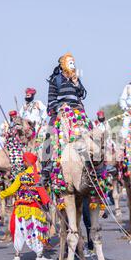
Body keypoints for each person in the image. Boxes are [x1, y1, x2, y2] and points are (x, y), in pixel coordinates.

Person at [41, 52, 87, 185]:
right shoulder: (56, 80)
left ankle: (96, 165)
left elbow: (82, 94)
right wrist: (59, 109)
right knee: (49, 135)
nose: (72, 66)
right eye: (70, 63)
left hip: (77, 112)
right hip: (61, 113)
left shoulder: (75, 79)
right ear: (63, 65)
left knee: (92, 132)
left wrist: (77, 83)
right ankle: (46, 169)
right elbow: (51, 101)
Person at [0, 152, 54, 260]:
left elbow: (11, 190)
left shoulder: (21, 176)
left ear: (26, 162)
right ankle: (39, 256)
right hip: (35, 209)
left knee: (19, 232)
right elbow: (46, 192)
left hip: (21, 209)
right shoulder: (38, 176)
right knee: (36, 230)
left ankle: (17, 256)